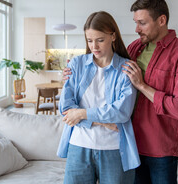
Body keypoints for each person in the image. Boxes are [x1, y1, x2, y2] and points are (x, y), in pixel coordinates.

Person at [63, 0, 178, 184]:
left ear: (162, 20)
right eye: (135, 22)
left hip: (160, 148)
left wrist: (142, 85)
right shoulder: (134, 49)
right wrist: (68, 76)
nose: (136, 29)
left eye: (142, 23)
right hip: (128, 144)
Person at [57, 11, 140, 184]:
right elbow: (65, 108)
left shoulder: (126, 68)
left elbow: (122, 112)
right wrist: (101, 122)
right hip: (79, 145)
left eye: (100, 40)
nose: (94, 46)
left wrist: (81, 114)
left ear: (113, 36)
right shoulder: (76, 64)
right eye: (89, 40)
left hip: (114, 148)